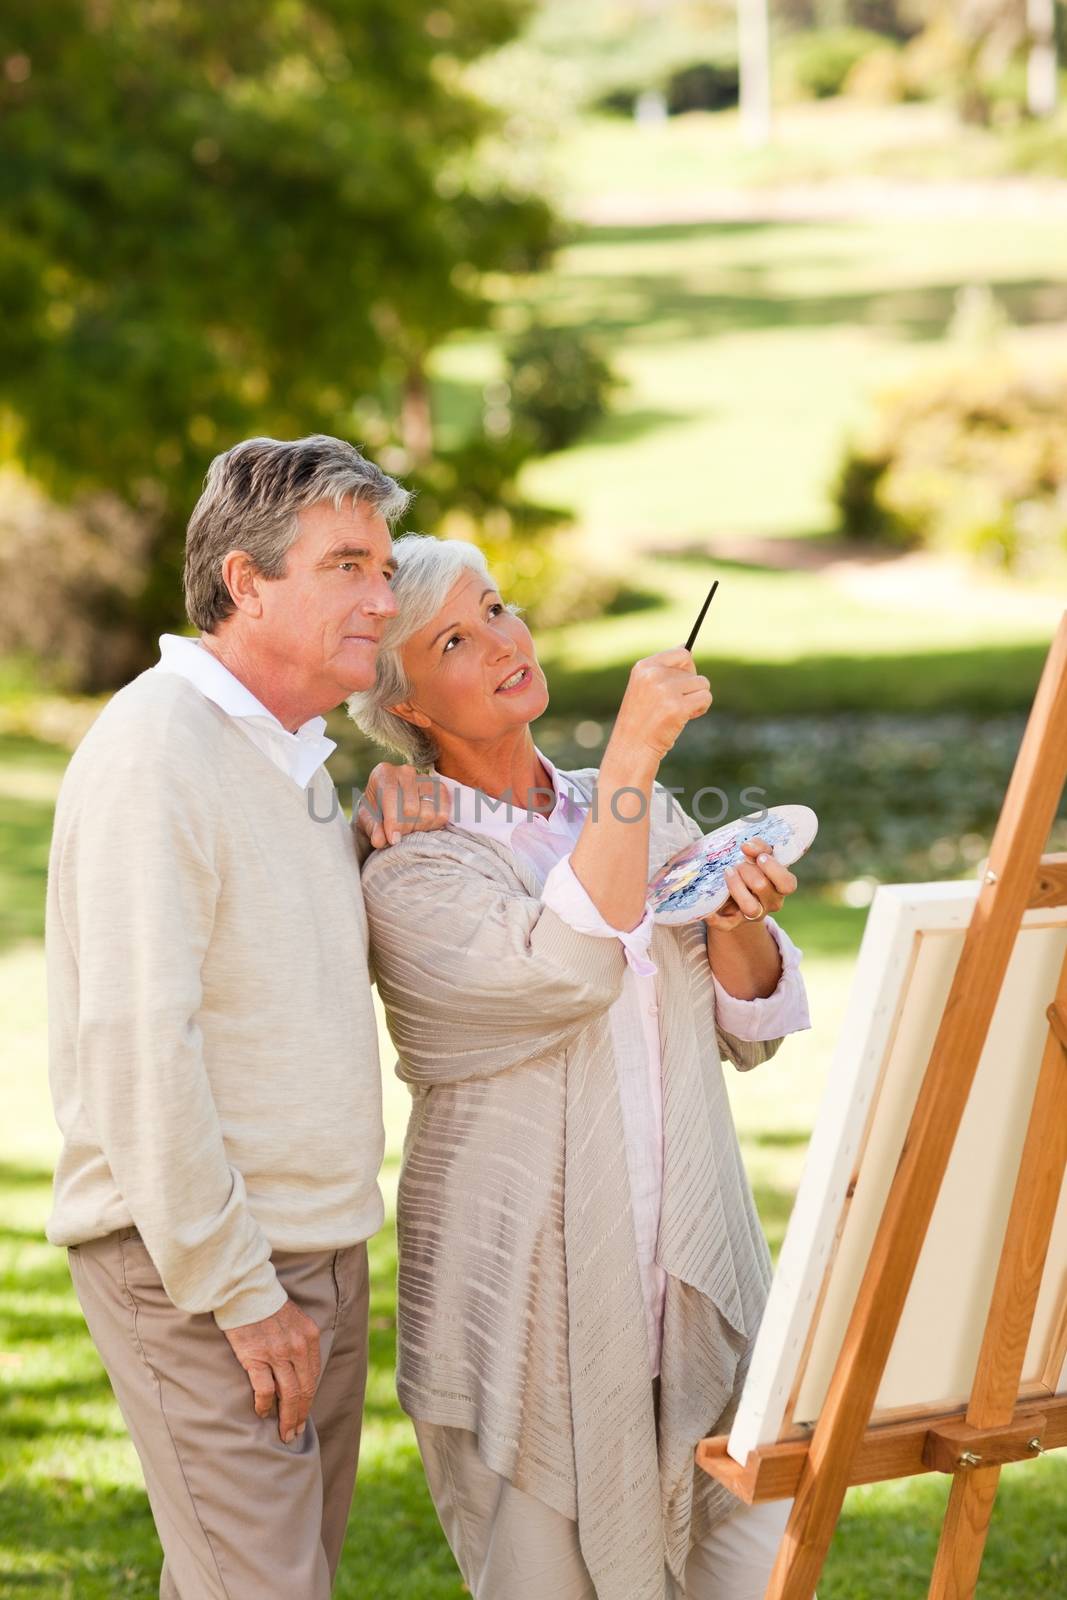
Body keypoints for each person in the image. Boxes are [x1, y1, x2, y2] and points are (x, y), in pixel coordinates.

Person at [349, 535, 813, 1600]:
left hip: (688, 1270)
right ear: (406, 702)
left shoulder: (634, 812)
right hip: (525, 1306)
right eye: (455, 639)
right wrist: (630, 759)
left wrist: (737, 923)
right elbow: (563, 971)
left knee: (756, 1571)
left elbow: (746, 1029)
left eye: (499, 608)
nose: (504, 639)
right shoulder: (416, 861)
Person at [45, 436, 448, 1600]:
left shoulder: (285, 758)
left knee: (249, 1577)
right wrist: (239, 1286)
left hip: (314, 1247)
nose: (382, 596)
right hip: (205, 1267)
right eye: (347, 566)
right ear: (245, 581)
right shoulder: (159, 747)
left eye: (382, 565)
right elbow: (135, 1051)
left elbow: (269, 968)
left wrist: (378, 844)